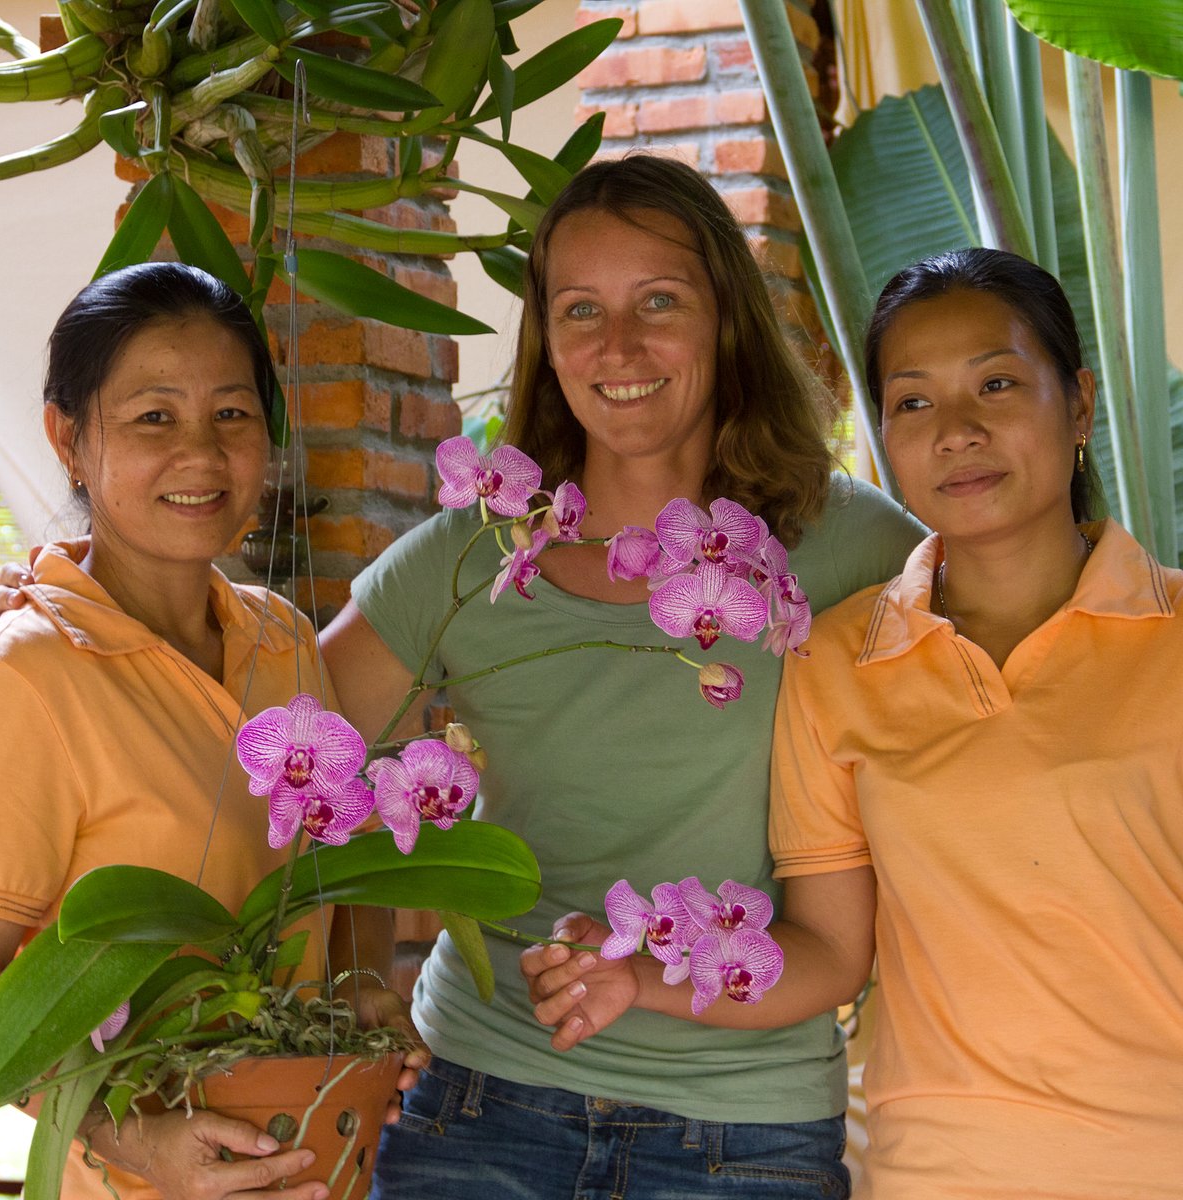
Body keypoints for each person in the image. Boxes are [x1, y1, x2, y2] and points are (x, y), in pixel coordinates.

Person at [317, 154, 923, 1199]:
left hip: (750, 1131)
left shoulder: (852, 548)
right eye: (581, 310)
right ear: (546, 343)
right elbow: (279, 753)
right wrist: (355, 982)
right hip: (481, 1105)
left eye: (660, 301)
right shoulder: (474, 555)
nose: (620, 346)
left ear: (726, 320)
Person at [0, 263, 418, 1200]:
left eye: (231, 415)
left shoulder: (283, 639)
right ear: (67, 436)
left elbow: (343, 866)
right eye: (153, 418)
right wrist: (130, 1136)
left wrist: (359, 996)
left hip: (312, 1165)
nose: (203, 456)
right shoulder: (24, 678)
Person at [762, 248, 1183, 1197]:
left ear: (1076, 404)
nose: (956, 431)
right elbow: (830, 951)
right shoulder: (833, 663)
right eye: (913, 402)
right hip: (933, 1171)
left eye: (996, 384)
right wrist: (644, 975)